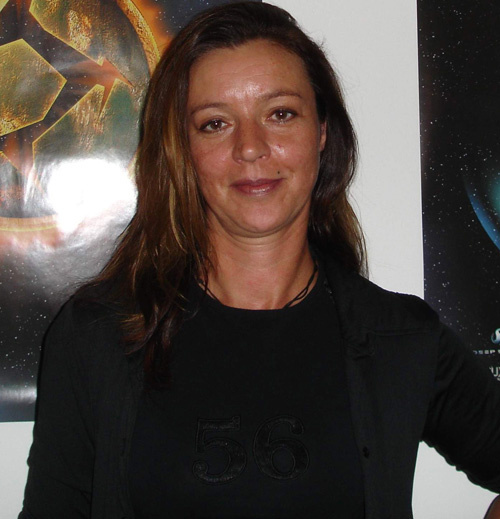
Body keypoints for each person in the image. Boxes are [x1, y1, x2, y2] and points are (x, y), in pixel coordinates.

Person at [19, 2, 500, 518]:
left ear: (322, 131)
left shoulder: (399, 338)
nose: (250, 147)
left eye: (280, 114)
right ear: (182, 148)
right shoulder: (97, 336)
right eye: (215, 123)